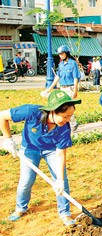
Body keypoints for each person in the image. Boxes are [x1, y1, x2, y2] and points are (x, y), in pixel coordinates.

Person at [0, 90, 81, 226]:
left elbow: (61, 154)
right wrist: (8, 140)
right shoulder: (32, 112)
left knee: (62, 181)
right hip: (30, 149)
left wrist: (60, 180)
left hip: (52, 150)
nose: (68, 120)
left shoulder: (64, 128)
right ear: (53, 111)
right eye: (65, 116)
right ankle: (20, 208)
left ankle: (65, 213)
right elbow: (2, 116)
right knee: (26, 181)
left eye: (71, 116)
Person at [42, 45, 80, 131]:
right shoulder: (61, 65)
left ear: (66, 53)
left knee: (68, 107)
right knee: (61, 107)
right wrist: (50, 88)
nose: (61, 56)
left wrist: (75, 90)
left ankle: (73, 123)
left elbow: (75, 78)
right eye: (59, 54)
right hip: (62, 88)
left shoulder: (72, 63)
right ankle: (68, 123)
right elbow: (57, 77)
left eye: (62, 54)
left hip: (70, 88)